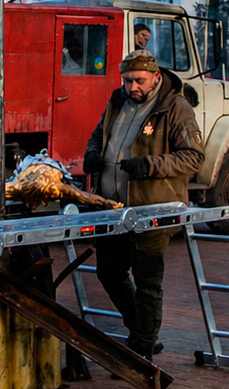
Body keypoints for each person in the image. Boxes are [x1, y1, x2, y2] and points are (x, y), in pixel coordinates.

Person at [82, 50, 204, 360]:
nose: (132, 87)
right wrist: (92, 153)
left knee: (148, 281)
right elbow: (98, 135)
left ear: (156, 77)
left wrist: (149, 165)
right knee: (108, 272)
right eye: (127, 80)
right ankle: (142, 331)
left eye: (138, 81)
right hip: (112, 208)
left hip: (153, 210)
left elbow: (193, 157)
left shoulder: (174, 107)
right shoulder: (117, 101)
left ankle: (142, 350)